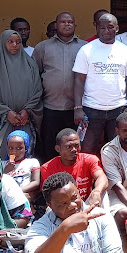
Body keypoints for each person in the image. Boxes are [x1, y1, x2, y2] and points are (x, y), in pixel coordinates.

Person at [25, 172, 124, 253]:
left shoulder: (101, 217)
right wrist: (65, 228)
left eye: (74, 198)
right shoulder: (40, 227)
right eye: (63, 204)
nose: (72, 205)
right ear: (50, 206)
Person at [73, 13, 127, 155]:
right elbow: (79, 80)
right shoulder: (86, 50)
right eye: (102, 27)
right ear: (97, 28)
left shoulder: (125, 51)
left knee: (118, 150)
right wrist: (78, 107)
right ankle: (88, 177)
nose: (106, 30)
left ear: (117, 28)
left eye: (110, 27)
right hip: (91, 108)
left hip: (118, 108)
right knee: (87, 148)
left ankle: (115, 177)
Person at [0, 30, 43, 158]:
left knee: (24, 152)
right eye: (10, 42)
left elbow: (38, 90)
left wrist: (27, 110)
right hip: (1, 118)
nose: (15, 45)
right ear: (3, 43)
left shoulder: (31, 65)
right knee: (1, 153)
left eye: (18, 42)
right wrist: (7, 112)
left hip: (24, 120)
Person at [32, 12, 87, 164]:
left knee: (74, 147)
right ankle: (50, 180)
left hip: (76, 108)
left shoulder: (85, 47)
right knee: (50, 146)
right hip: (50, 106)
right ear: (56, 25)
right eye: (63, 22)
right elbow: (34, 74)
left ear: (75, 26)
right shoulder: (43, 47)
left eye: (70, 22)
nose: (67, 24)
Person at [40, 128, 108, 207]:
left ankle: (104, 218)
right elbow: (50, 195)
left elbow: (101, 177)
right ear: (58, 149)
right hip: (64, 206)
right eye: (69, 147)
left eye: (77, 145)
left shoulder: (89, 159)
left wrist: (97, 192)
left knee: (102, 193)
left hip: (86, 203)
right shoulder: (47, 168)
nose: (74, 149)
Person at [2, 130, 41, 201]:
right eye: (11, 148)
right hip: (6, 197)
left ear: (26, 148)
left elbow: (36, 182)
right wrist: (5, 171)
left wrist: (19, 191)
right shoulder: (2, 164)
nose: (14, 151)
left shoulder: (32, 162)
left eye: (19, 148)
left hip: (24, 196)